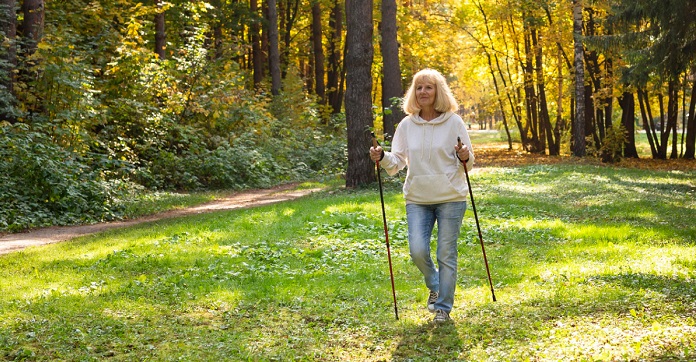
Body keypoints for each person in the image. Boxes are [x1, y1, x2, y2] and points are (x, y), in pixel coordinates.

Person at [370, 68, 474, 324]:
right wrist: (382, 157)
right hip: (417, 198)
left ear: (438, 91)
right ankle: (436, 284)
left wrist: (464, 156)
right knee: (417, 250)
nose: (423, 92)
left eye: (428, 87)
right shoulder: (407, 124)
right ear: (413, 93)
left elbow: (468, 163)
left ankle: (443, 308)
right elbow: (397, 162)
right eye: (418, 87)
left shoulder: (454, 122)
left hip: (450, 196)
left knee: (446, 254)